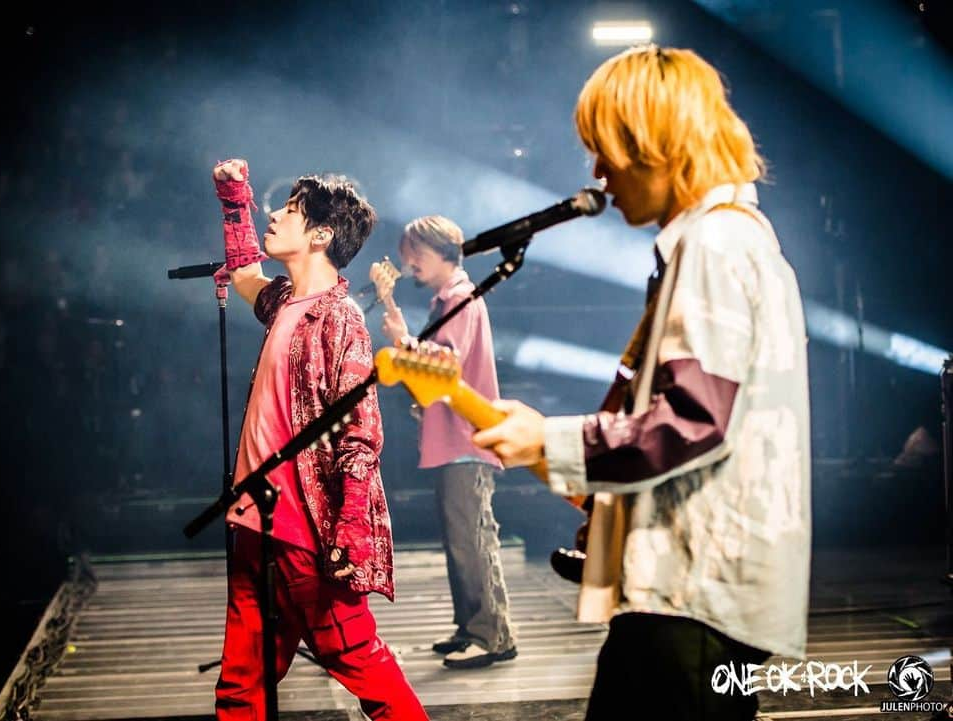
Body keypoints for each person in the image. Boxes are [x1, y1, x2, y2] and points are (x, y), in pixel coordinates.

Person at [471, 46, 811, 721]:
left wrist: (553, 438)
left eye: (607, 149)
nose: (597, 171)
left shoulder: (714, 246)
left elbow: (694, 416)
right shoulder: (741, 241)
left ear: (655, 142)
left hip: (687, 602)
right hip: (709, 600)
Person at [210, 158, 428, 721]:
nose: (274, 215)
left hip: (306, 532)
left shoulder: (341, 319)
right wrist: (235, 201)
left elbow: (362, 433)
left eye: (289, 210)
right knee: (241, 683)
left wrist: (351, 526)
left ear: (321, 234)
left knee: (361, 661)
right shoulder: (285, 302)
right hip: (255, 524)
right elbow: (242, 274)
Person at [373, 216, 517, 669]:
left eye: (416, 252)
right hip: (452, 436)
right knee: (461, 538)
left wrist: (400, 340)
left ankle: (490, 634)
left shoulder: (460, 298)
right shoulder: (447, 299)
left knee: (471, 538)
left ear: (443, 252)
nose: (407, 261)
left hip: (465, 439)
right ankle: (471, 626)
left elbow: (443, 367)